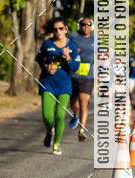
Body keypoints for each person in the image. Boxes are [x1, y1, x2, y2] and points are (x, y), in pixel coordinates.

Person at [35, 17, 80, 156]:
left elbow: (75, 67)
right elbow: (39, 59)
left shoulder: (71, 46)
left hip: (64, 85)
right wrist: (46, 66)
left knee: (60, 115)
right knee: (47, 116)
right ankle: (50, 131)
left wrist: (68, 57)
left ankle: (56, 144)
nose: (58, 32)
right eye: (55, 29)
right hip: (48, 83)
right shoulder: (47, 44)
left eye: (61, 28)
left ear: (66, 29)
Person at [68, 16, 94, 142]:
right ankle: (76, 114)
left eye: (88, 25)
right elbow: (64, 48)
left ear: (91, 26)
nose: (86, 27)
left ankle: (82, 130)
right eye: (83, 24)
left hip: (88, 76)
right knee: (74, 104)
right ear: (80, 25)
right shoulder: (73, 37)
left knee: (84, 102)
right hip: (73, 75)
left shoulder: (95, 39)